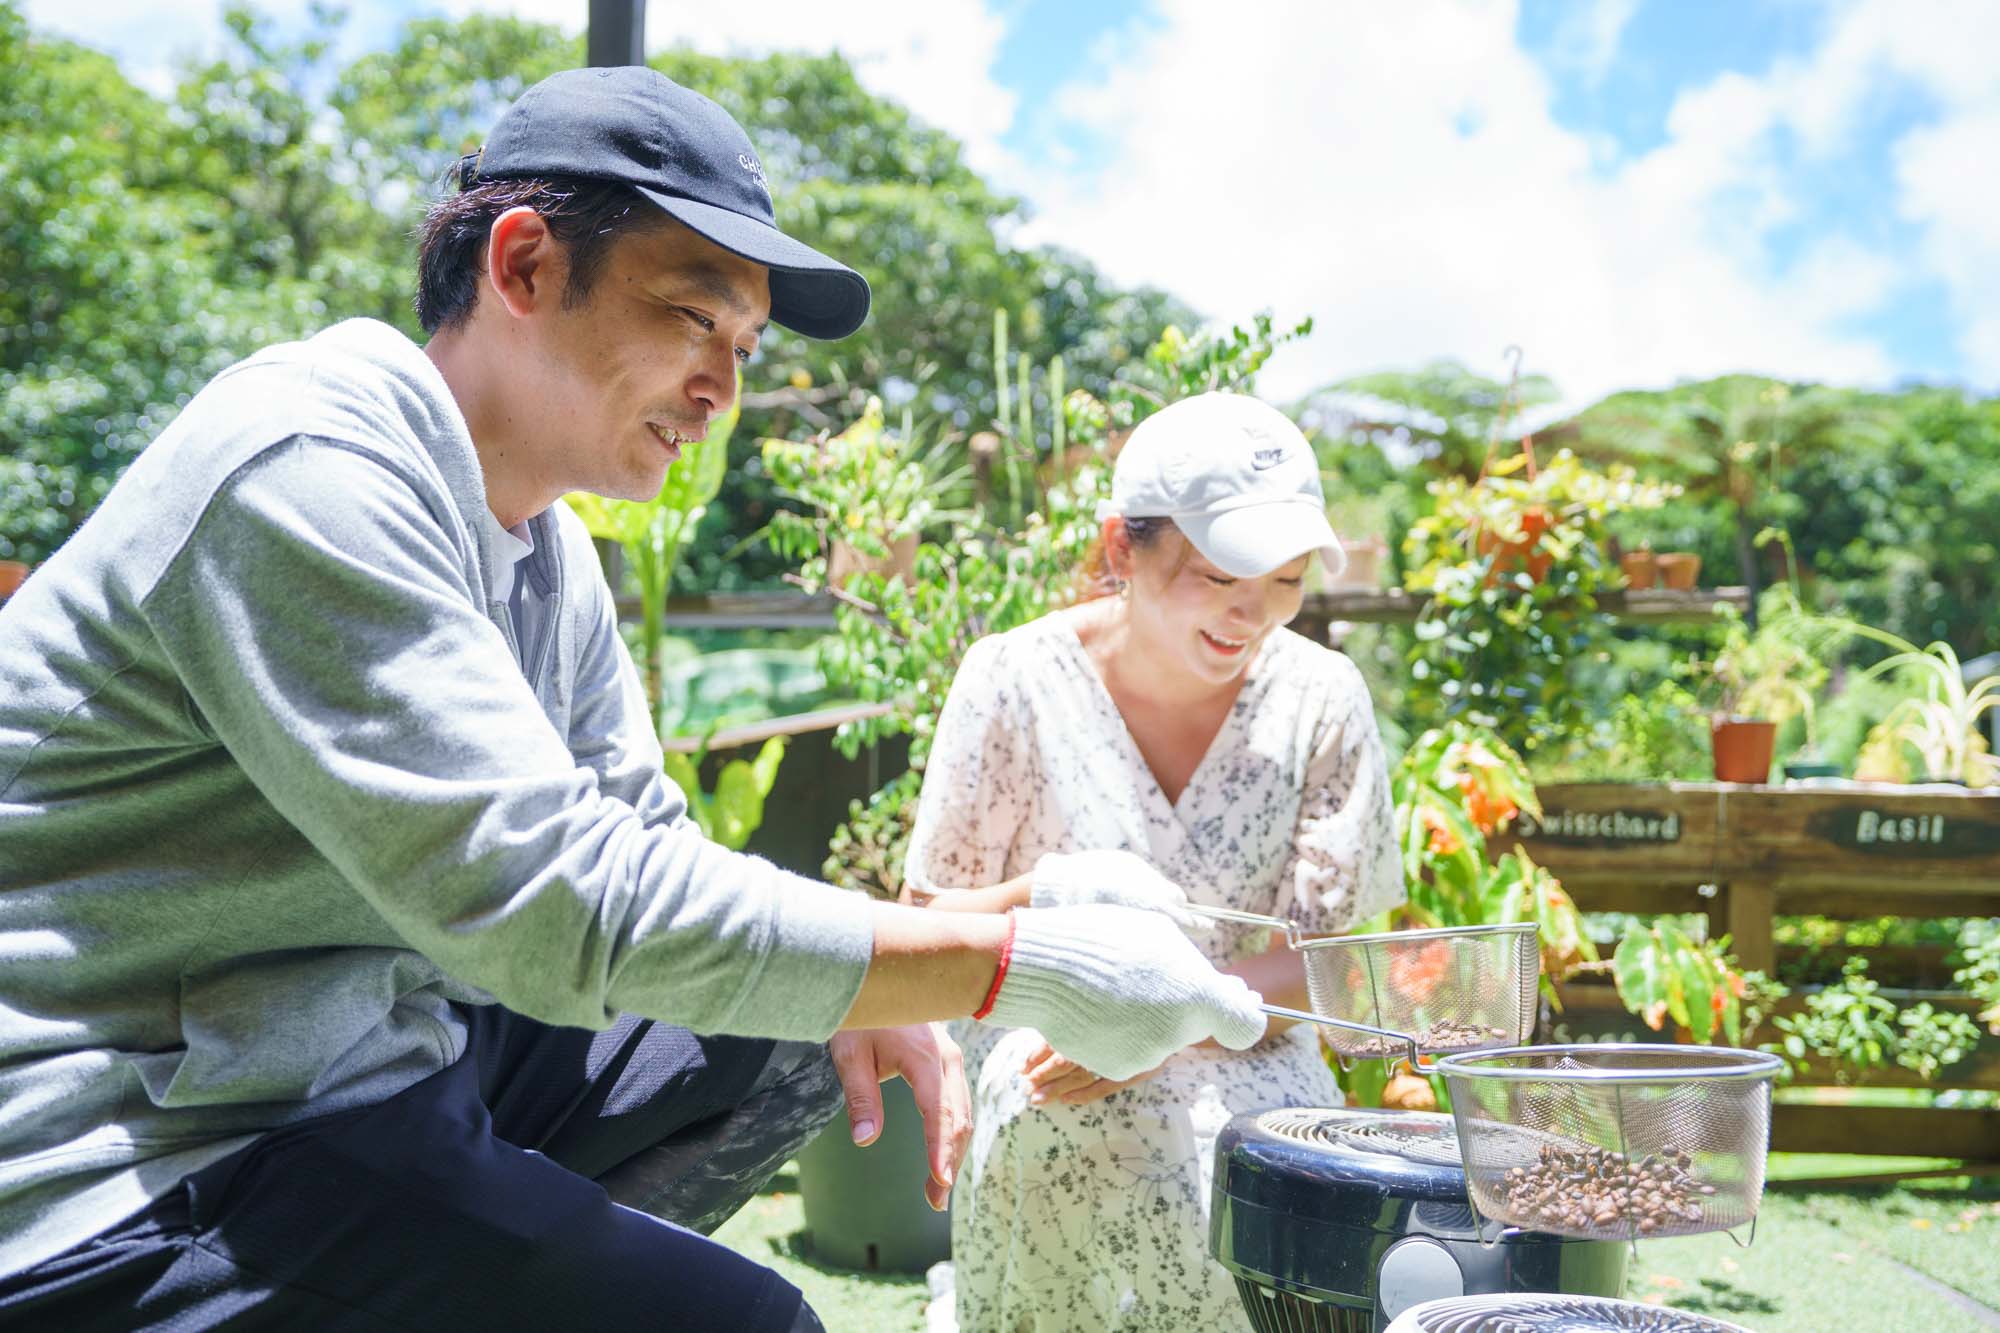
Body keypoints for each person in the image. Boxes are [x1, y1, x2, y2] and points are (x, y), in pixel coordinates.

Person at [0, 67, 1271, 1332]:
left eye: (743, 347)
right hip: (129, 1154)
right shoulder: (307, 470)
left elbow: (650, 852)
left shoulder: (541, 541)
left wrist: (966, 941)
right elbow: (555, 906)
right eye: (689, 317)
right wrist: (1011, 967)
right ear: (524, 266)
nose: (723, 389)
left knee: (800, 1030)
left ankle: (481, 1260)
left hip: (359, 1057)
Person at [903, 392, 1406, 1331]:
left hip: (1256, 1041)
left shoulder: (1322, 696)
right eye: (1219, 574)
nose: (1253, 612)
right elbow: (934, 915)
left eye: (1289, 579)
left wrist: (1171, 1012)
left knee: (1259, 1161)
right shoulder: (1011, 680)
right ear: (1120, 547)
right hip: (1051, 1036)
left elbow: (1328, 952)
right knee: (1059, 1123)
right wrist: (1086, 983)